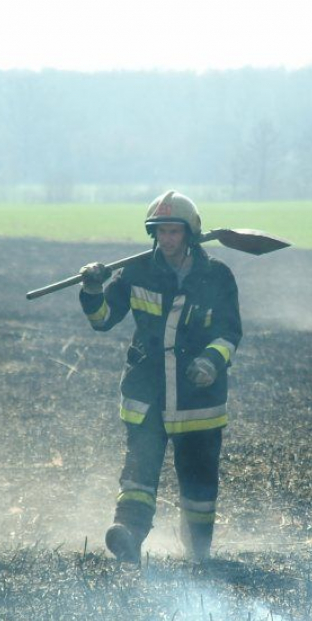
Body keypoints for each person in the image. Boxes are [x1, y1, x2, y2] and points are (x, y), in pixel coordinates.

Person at [78, 190, 242, 563]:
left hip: (198, 402)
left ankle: (198, 550)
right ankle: (128, 535)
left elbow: (230, 333)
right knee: (138, 473)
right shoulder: (135, 273)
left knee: (199, 485)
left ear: (190, 234)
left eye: (174, 232)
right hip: (147, 396)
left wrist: (210, 362)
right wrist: (91, 290)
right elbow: (103, 320)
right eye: (160, 232)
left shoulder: (216, 277)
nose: (166, 239)